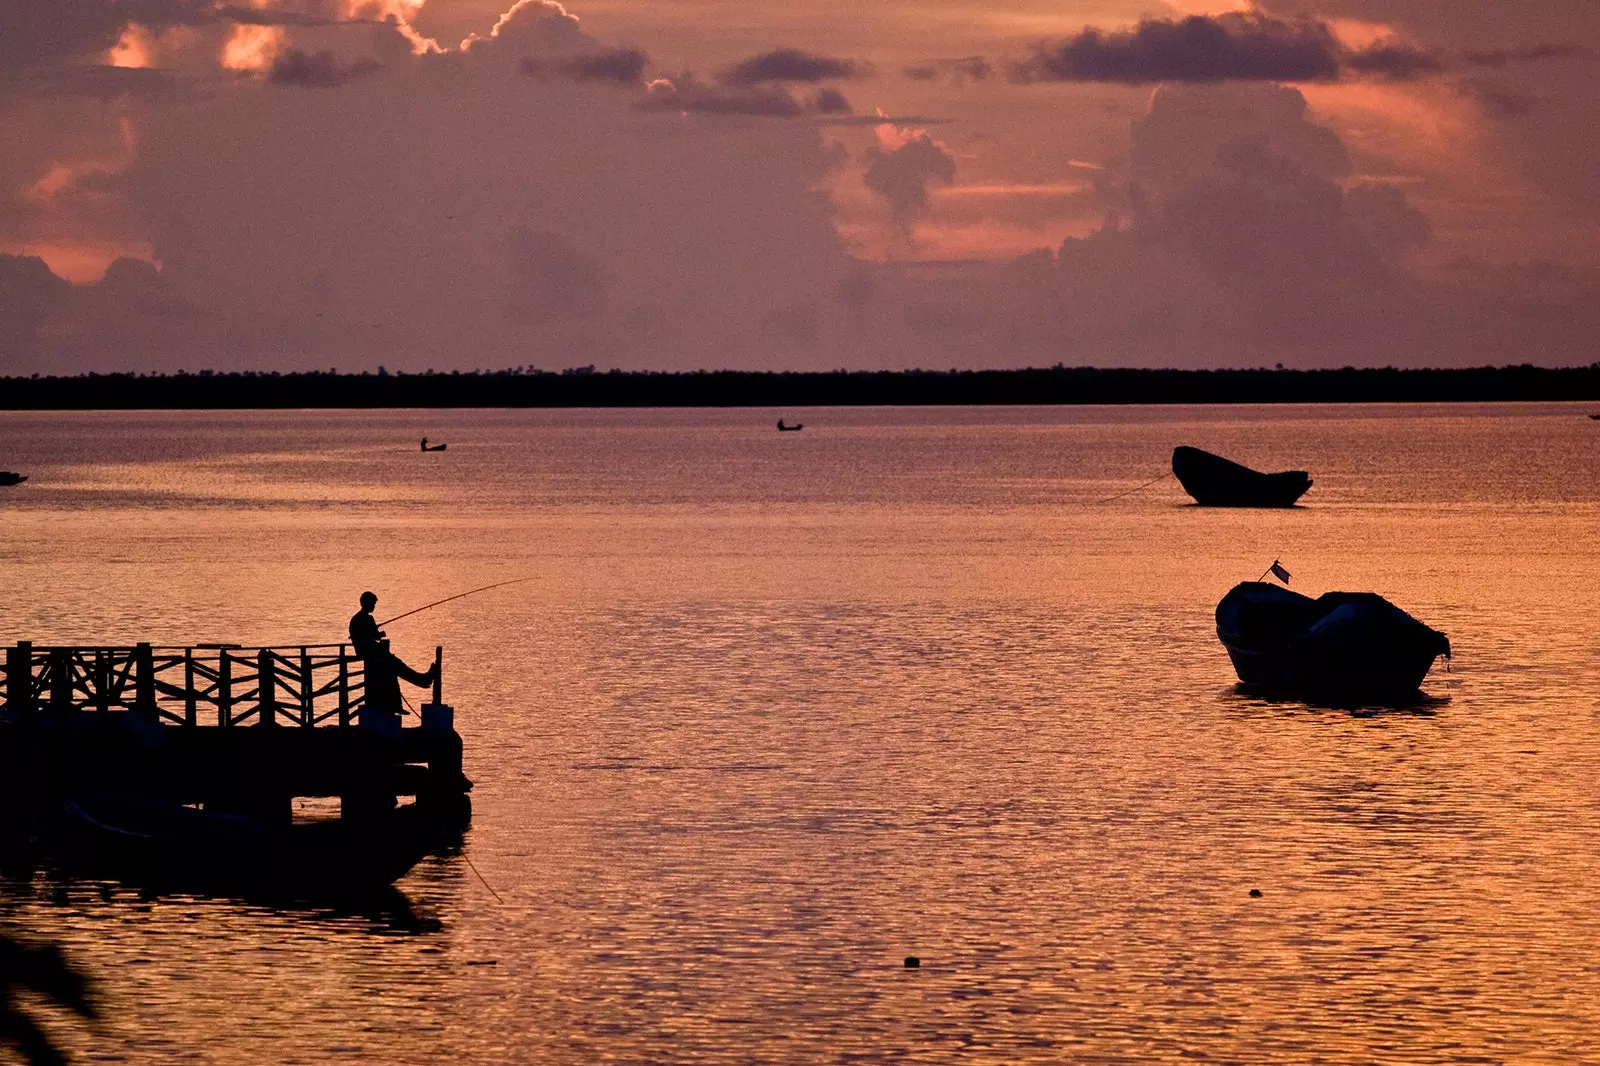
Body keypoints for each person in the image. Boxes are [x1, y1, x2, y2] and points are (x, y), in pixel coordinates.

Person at [349, 591, 436, 713]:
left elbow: (367, 636)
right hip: (372, 654)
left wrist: (375, 634)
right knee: (396, 665)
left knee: (394, 667)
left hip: (367, 652)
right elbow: (374, 636)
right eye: (373, 604)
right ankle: (421, 681)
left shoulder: (356, 619)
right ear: (366, 603)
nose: (374, 606)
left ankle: (417, 684)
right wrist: (380, 634)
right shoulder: (367, 618)